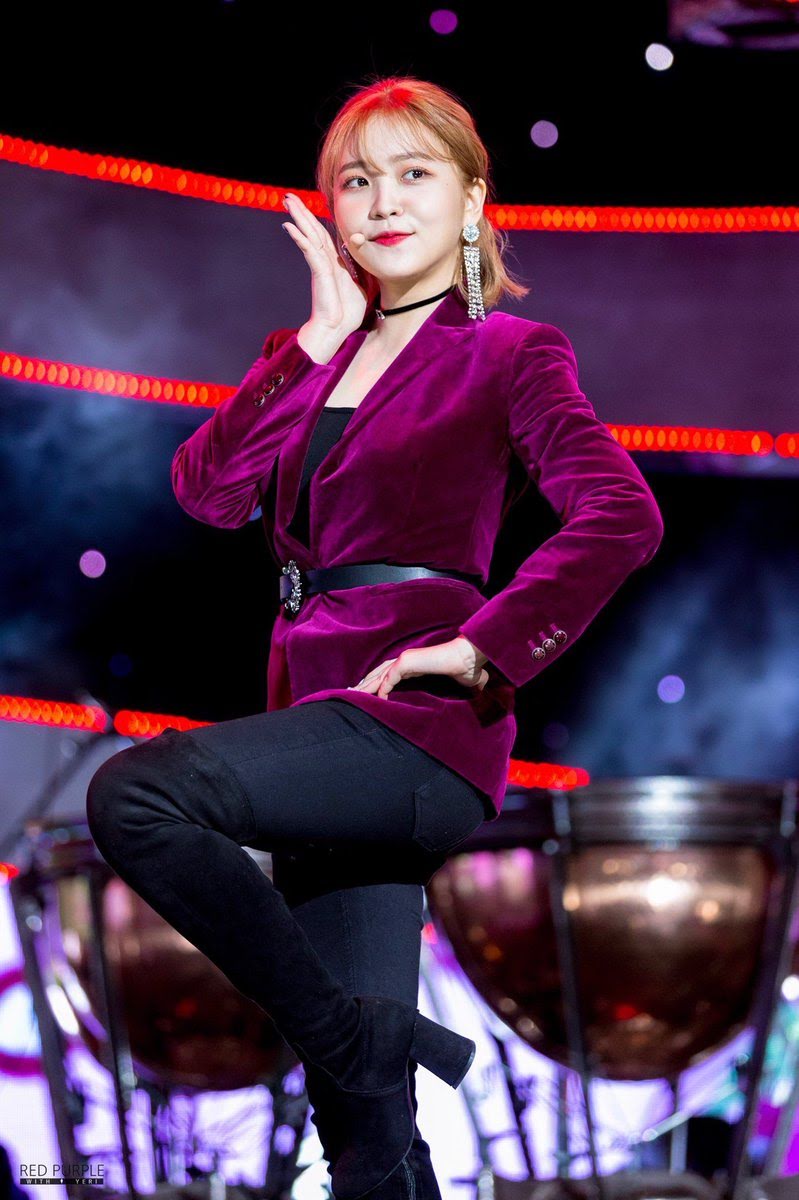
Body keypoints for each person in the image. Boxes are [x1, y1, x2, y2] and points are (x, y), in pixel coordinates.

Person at [85, 75, 664, 1200]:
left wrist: (487, 646)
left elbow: (620, 513)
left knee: (138, 796)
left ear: (472, 199)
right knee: (366, 1140)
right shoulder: (308, 352)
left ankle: (358, 1040)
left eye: (414, 173)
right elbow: (207, 494)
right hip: (319, 724)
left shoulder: (510, 350)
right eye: (357, 180)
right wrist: (313, 343)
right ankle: (367, 1064)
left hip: (416, 726)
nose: (384, 201)